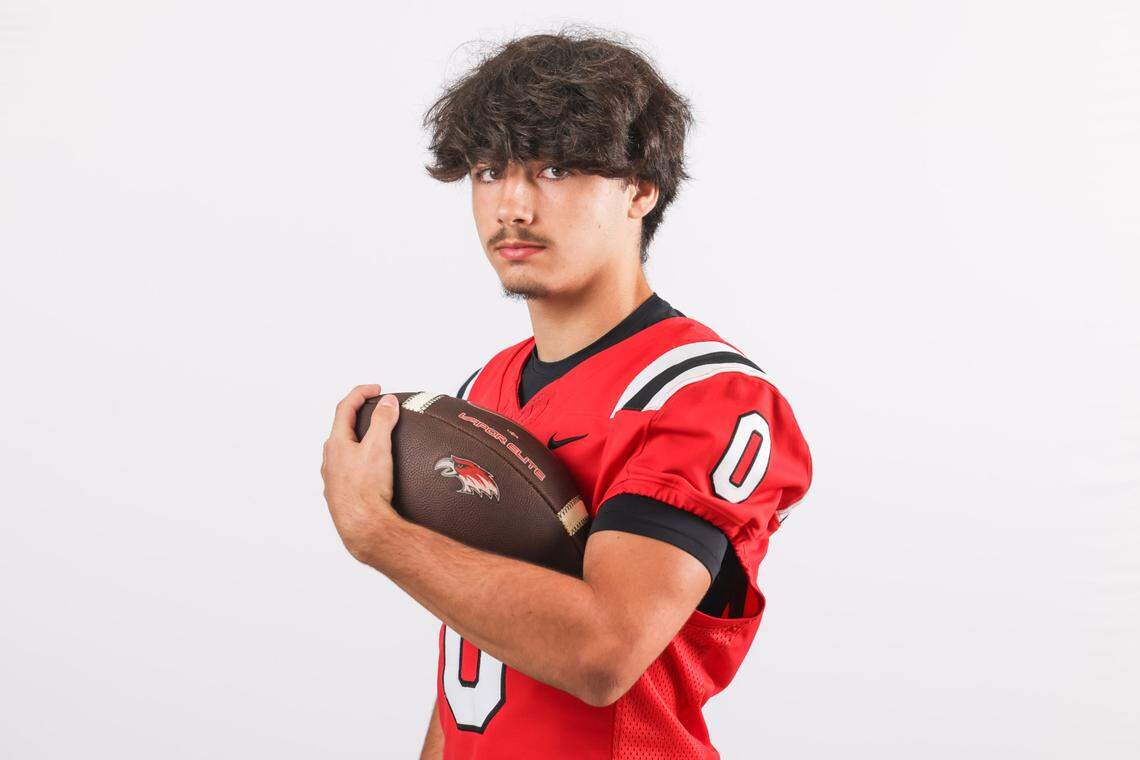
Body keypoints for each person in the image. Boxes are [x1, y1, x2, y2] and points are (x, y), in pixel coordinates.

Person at [321, 28, 813, 759]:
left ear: (640, 189)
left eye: (554, 169)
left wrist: (379, 535)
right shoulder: (485, 389)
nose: (512, 206)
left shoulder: (702, 395)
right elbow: (478, 661)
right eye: (489, 171)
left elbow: (601, 654)